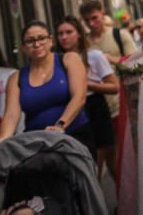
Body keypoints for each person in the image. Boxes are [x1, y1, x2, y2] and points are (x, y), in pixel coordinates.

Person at [0, 22, 90, 153]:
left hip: (75, 136)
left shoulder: (69, 59)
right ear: (23, 47)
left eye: (41, 38)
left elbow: (79, 97)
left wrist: (60, 125)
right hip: (37, 145)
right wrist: (1, 141)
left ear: (50, 41)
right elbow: (11, 116)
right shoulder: (16, 78)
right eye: (30, 41)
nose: (36, 44)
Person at [55, 16, 118, 173]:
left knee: (101, 161)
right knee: (84, 163)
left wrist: (86, 84)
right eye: (60, 33)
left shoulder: (94, 56)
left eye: (69, 32)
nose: (64, 37)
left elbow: (114, 86)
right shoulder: (56, 60)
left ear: (79, 34)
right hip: (71, 110)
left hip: (95, 106)